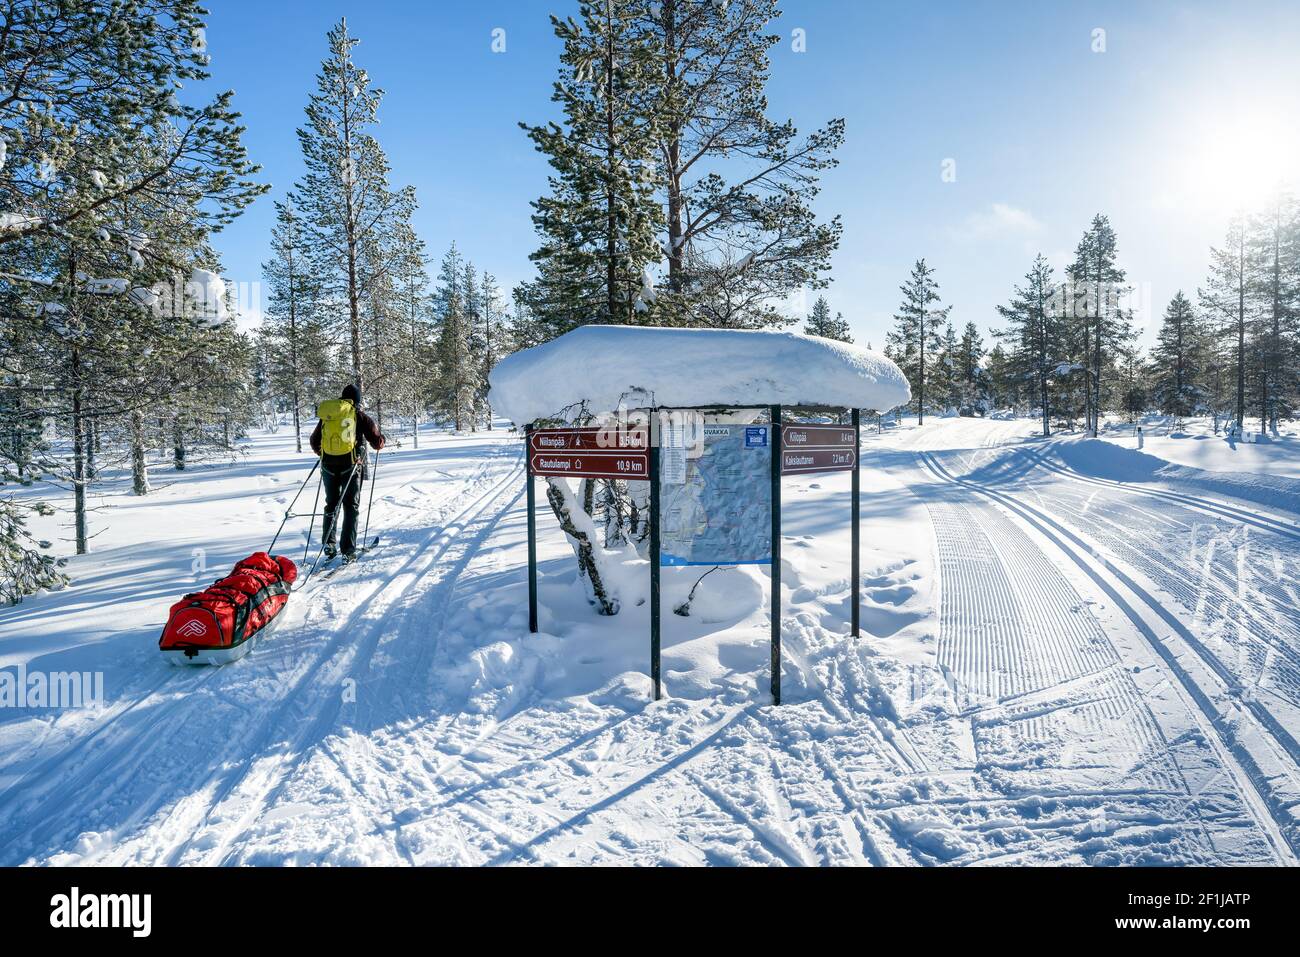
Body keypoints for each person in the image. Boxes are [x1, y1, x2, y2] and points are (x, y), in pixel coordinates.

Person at [310, 384, 385, 560]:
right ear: (357, 401)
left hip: (328, 466)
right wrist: (382, 440)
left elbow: (314, 441)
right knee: (351, 506)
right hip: (350, 466)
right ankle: (348, 550)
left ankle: (329, 544)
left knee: (331, 504)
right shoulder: (359, 416)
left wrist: (325, 454)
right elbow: (376, 443)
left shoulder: (328, 416)